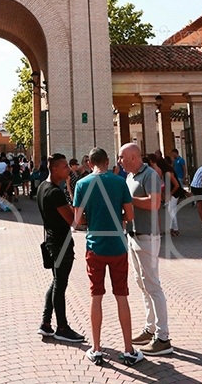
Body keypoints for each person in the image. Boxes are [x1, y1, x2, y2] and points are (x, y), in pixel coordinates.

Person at [72, 147, 142, 366]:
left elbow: (78, 220)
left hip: (95, 245)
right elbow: (130, 215)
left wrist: (93, 218)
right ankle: (129, 349)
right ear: (108, 161)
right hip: (118, 245)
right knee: (122, 296)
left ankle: (96, 348)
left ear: (89, 163)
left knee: (96, 296)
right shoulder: (119, 182)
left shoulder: (81, 185)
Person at [120, 143, 172, 357]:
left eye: (122, 157)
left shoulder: (149, 175)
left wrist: (128, 201)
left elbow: (155, 203)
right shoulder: (130, 177)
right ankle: (150, 328)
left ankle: (163, 337)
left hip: (147, 236)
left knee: (153, 285)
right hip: (133, 235)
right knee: (142, 283)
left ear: (133, 157)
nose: (120, 161)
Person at [36, 153, 85, 343]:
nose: (68, 169)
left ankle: (46, 323)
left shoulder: (42, 187)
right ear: (55, 169)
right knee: (60, 285)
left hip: (51, 241)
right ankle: (62, 327)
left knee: (56, 282)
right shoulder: (54, 192)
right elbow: (74, 220)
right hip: (60, 243)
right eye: (65, 166)